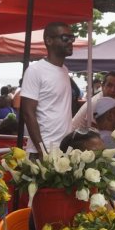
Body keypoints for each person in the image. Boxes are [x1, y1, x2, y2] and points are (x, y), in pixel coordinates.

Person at [21, 22, 75, 158]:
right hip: (43, 151)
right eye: (65, 38)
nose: (70, 42)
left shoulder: (64, 70)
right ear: (49, 41)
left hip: (63, 149)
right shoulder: (35, 70)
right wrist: (42, 152)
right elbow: (28, 113)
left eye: (71, 38)